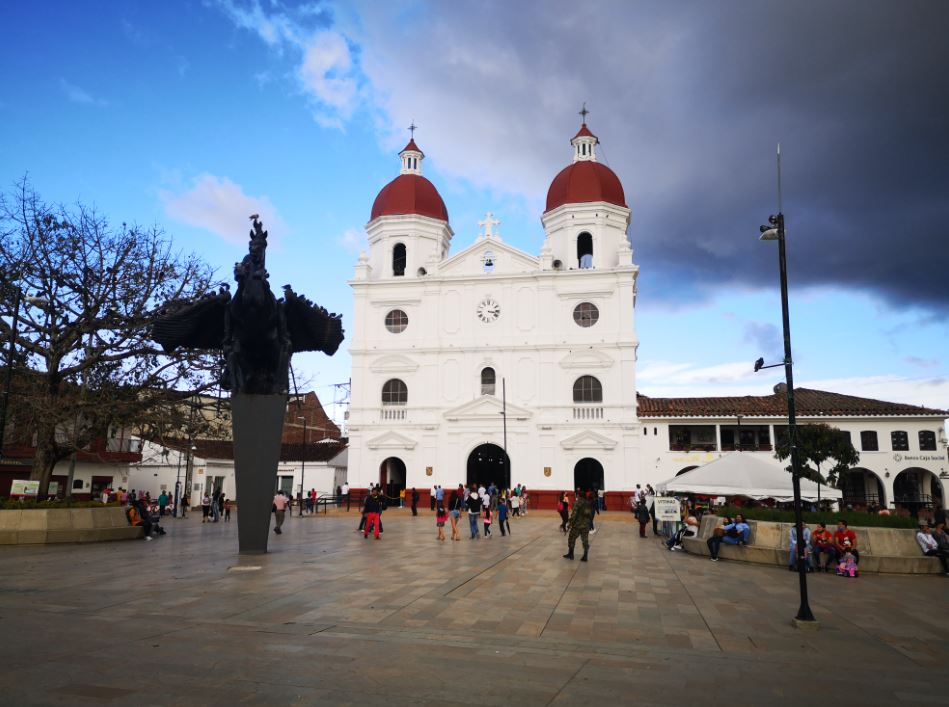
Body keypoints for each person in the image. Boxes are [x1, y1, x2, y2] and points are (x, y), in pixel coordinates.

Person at [563, 489, 594, 561]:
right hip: (585, 525)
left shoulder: (577, 503)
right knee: (585, 540)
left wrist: (570, 523)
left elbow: (574, 515)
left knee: (571, 538)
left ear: (579, 495)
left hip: (577, 525)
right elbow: (591, 514)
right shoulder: (588, 503)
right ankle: (585, 556)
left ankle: (571, 554)